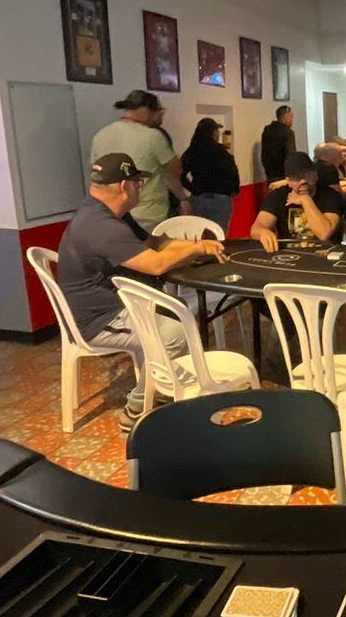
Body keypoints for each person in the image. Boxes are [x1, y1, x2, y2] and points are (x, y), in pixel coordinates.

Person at [57, 153, 227, 432]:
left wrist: (196, 246)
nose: (140, 188)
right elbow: (155, 264)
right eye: (138, 182)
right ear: (125, 187)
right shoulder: (101, 226)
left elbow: (154, 243)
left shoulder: (107, 212)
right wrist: (197, 249)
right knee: (174, 333)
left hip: (120, 305)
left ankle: (167, 389)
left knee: (178, 311)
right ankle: (137, 409)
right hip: (101, 320)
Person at [90, 90, 190, 228]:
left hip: (112, 214)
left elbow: (95, 174)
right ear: (146, 110)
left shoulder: (100, 135)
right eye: (159, 111)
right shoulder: (152, 136)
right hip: (148, 215)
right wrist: (183, 199)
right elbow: (174, 171)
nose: (161, 115)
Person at [250, 150, 346, 251]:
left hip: (323, 254)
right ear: (288, 181)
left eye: (307, 176)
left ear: (315, 175)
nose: (303, 181)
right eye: (297, 178)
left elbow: (324, 234)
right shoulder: (278, 196)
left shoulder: (331, 196)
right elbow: (256, 228)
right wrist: (263, 232)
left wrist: (305, 200)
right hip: (288, 253)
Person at [180, 117, 240, 234]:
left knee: (197, 234)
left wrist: (193, 188)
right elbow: (233, 173)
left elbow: (180, 174)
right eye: (217, 131)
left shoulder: (192, 151)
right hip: (220, 199)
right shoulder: (221, 151)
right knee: (218, 234)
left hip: (198, 199)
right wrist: (234, 190)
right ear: (213, 132)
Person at [260, 105, 296, 182]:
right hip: (283, 174)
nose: (292, 120)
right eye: (291, 116)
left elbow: (264, 154)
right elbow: (291, 155)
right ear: (285, 117)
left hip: (270, 174)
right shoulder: (287, 132)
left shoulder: (267, 131)